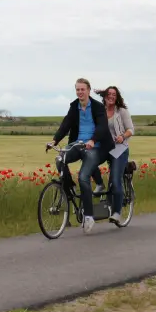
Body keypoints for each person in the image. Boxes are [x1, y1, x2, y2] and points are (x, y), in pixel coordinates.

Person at [49, 77, 115, 234]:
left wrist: (93, 140)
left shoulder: (98, 107)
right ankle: (68, 186)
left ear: (88, 90)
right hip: (78, 144)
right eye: (77, 89)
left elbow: (102, 127)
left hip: (96, 147)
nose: (79, 92)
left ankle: (89, 215)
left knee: (83, 177)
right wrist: (54, 140)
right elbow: (66, 124)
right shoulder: (74, 106)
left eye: (82, 89)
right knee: (60, 159)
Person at [91, 85, 134, 223]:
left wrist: (122, 136)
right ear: (104, 96)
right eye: (109, 94)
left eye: (114, 94)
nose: (111, 96)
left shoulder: (121, 111)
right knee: (89, 162)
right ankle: (100, 185)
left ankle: (117, 212)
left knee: (115, 180)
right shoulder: (100, 111)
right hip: (105, 148)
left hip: (119, 148)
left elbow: (131, 130)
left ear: (117, 97)